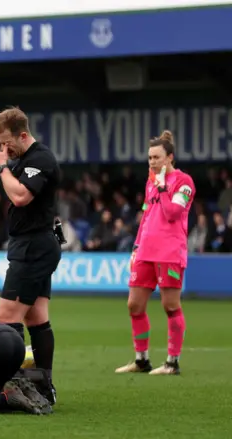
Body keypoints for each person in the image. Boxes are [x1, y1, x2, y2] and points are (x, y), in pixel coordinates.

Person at [0, 106, 62, 403]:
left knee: (7, 316)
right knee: (36, 317)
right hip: (30, 244)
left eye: (6, 142)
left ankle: (17, 385)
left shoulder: (40, 158)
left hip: (34, 246)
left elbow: (21, 196)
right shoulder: (22, 159)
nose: (2, 149)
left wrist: (1, 167)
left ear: (22, 135)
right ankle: (44, 386)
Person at [116, 130, 195, 376]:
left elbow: (173, 213)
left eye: (157, 157)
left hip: (169, 251)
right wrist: (136, 247)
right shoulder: (151, 182)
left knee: (171, 306)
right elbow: (147, 216)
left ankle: (172, 362)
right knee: (134, 305)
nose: (152, 162)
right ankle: (141, 360)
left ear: (169, 157)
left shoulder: (184, 182)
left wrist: (162, 188)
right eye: (150, 157)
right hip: (145, 251)